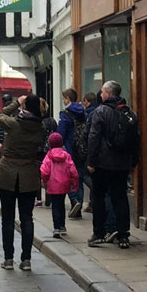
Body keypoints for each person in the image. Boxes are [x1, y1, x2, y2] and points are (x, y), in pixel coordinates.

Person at [0, 94, 48, 270]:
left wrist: (17, 102)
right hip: (29, 174)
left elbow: (0, 115)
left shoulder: (15, 124)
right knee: (27, 219)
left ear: (25, 107)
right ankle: (26, 259)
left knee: (7, 219)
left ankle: (8, 259)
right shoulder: (40, 127)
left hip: (8, 172)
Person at [86, 80, 141, 248]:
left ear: (108, 94)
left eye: (102, 92)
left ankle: (99, 233)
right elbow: (136, 140)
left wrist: (91, 161)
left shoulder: (100, 111)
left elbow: (93, 137)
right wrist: (133, 161)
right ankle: (123, 235)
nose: (100, 94)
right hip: (122, 164)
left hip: (102, 163)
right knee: (120, 198)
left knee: (99, 197)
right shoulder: (130, 112)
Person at [57, 88, 89, 220]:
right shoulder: (83, 112)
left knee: (69, 179)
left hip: (69, 150)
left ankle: (74, 201)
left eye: (64, 98)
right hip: (82, 150)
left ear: (68, 99)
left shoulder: (66, 114)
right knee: (79, 179)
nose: (63, 101)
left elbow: (60, 134)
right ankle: (79, 208)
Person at [40, 132, 80, 238]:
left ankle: (56, 227)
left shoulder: (49, 155)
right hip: (64, 184)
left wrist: (44, 181)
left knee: (55, 206)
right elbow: (73, 171)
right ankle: (62, 225)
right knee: (61, 204)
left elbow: (44, 171)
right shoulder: (66, 155)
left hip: (53, 184)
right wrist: (74, 183)